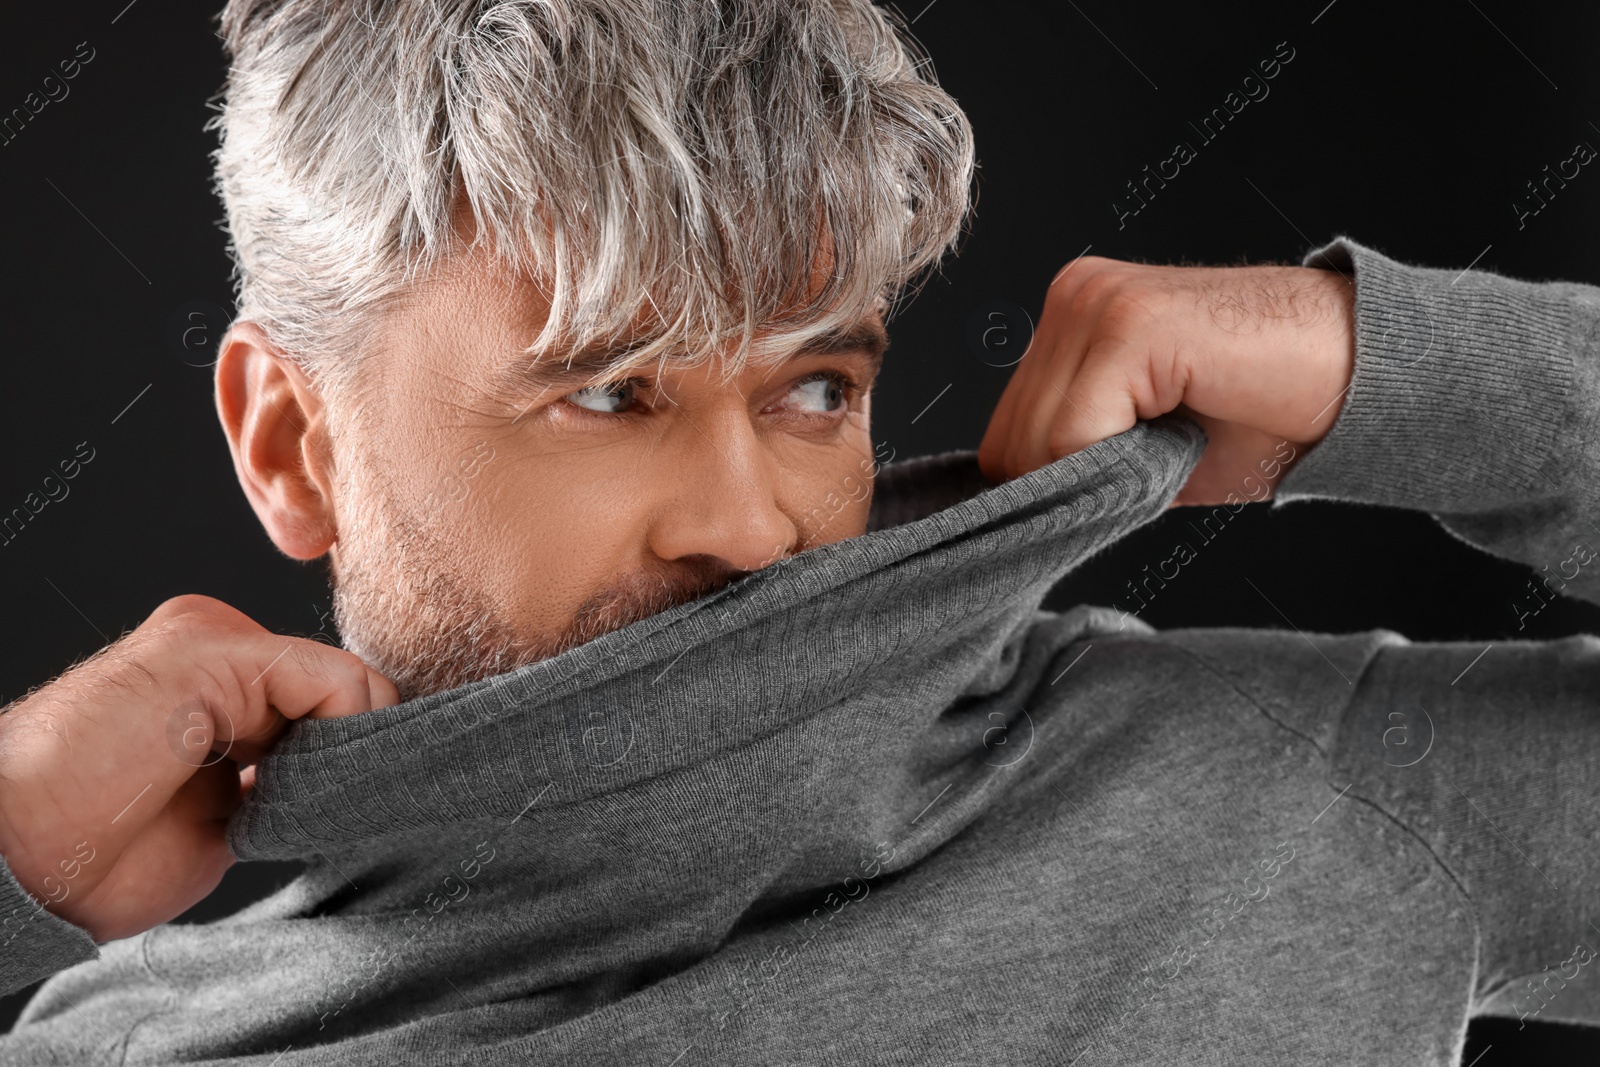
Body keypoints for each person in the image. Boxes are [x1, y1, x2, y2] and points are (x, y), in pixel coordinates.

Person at [1, 1, 1598, 1063]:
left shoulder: (1278, 787)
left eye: (814, 389)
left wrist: (1400, 373)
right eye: (615, 393)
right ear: (294, 444)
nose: (754, 528)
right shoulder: (117, 1046)